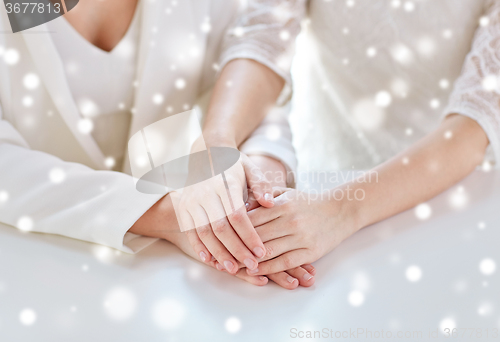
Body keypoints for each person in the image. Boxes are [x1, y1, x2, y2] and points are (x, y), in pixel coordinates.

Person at [0, 0, 314, 289]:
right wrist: (173, 216)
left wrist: (257, 193)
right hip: (33, 268)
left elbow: (254, 68)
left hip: (172, 282)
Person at [209, 0, 500, 278]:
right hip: (321, 183)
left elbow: (473, 127)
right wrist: (216, 146)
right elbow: (264, 39)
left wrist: (340, 212)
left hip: (452, 196)